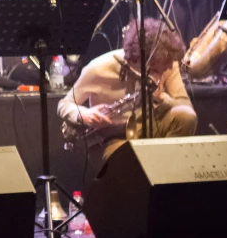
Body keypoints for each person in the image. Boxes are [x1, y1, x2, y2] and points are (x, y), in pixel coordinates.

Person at [57, 18, 196, 160]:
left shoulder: (165, 62)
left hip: (151, 126)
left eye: (163, 70)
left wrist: (162, 99)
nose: (160, 75)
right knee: (125, 158)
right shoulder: (97, 68)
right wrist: (84, 114)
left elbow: (185, 108)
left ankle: (166, 171)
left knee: (186, 117)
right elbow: (64, 104)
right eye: (154, 70)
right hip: (112, 137)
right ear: (135, 61)